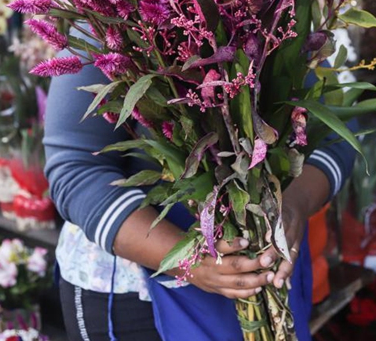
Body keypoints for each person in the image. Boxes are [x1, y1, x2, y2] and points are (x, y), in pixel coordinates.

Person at [44, 60, 356, 341]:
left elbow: (333, 127)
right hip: (140, 295)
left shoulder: (282, 2)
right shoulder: (104, 20)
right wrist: (189, 263)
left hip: (265, 277)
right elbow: (75, 170)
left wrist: (293, 204)